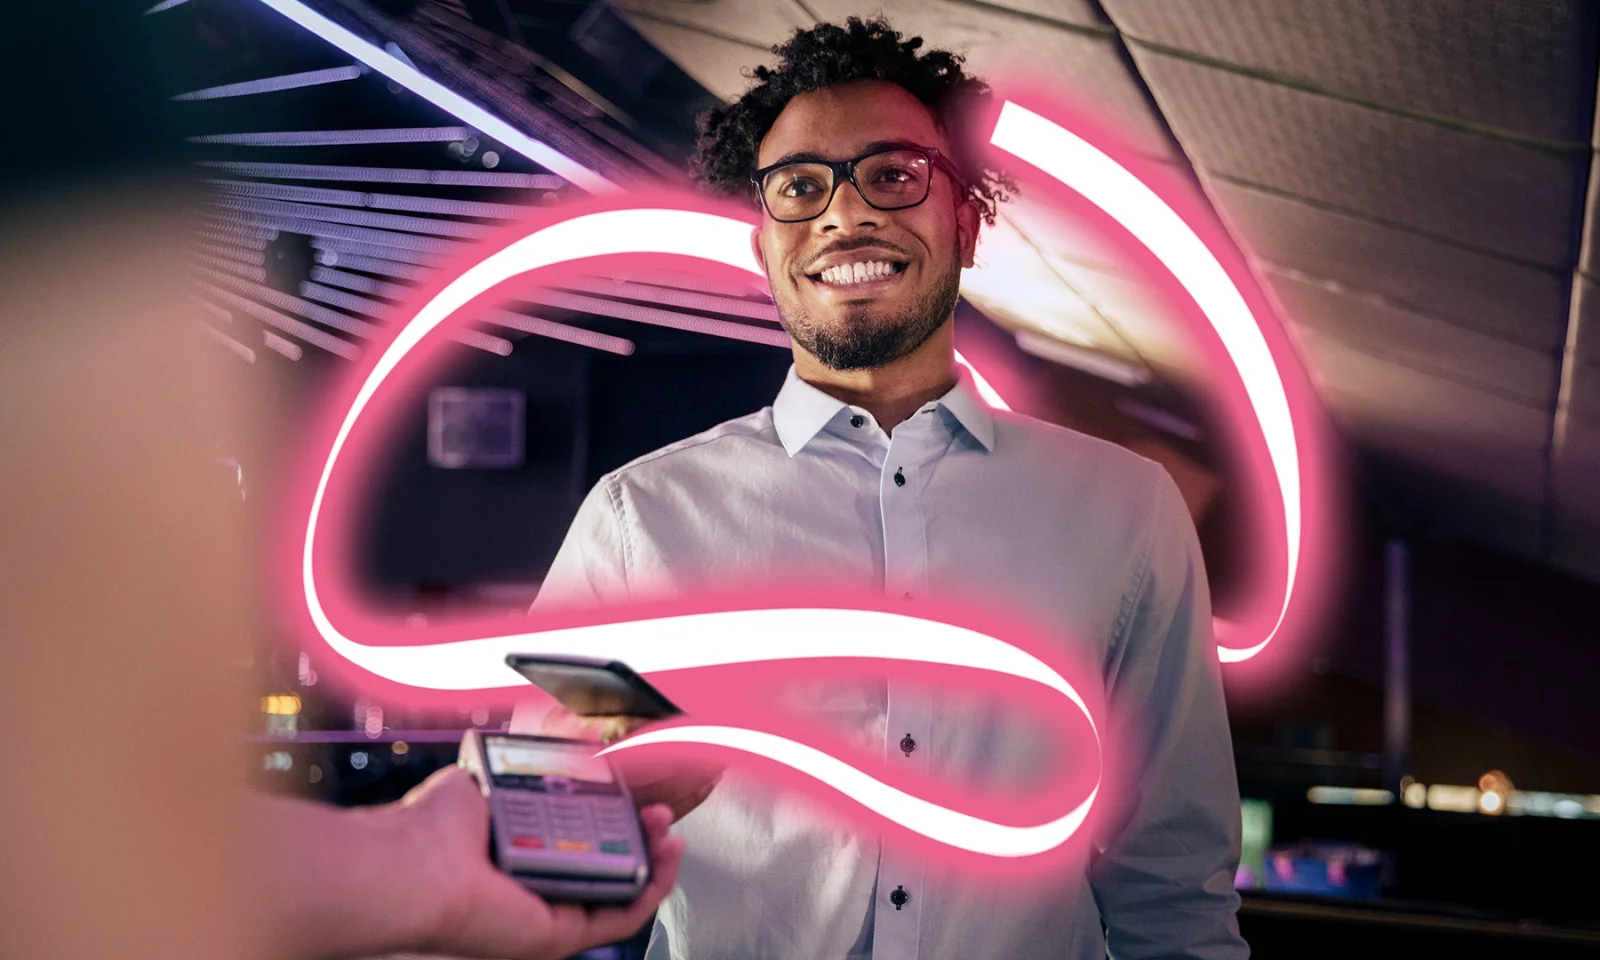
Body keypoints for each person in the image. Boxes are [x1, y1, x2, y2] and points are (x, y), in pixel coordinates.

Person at [522, 17, 1246, 960]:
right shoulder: (638, 522)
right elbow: (541, 839)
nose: (844, 214)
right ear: (764, 250)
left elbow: (1176, 889)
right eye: (799, 186)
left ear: (968, 222)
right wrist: (566, 793)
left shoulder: (1126, 513)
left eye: (895, 175)